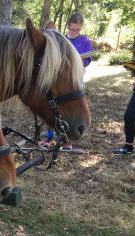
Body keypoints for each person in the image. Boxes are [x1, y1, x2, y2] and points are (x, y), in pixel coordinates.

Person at [42, 13, 92, 150]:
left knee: (71, 108)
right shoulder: (61, 39)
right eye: (72, 29)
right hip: (59, 79)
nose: (74, 32)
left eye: (77, 29)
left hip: (75, 79)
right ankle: (50, 136)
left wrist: (79, 61)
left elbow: (87, 60)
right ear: (68, 26)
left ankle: (65, 138)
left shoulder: (85, 41)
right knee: (53, 106)